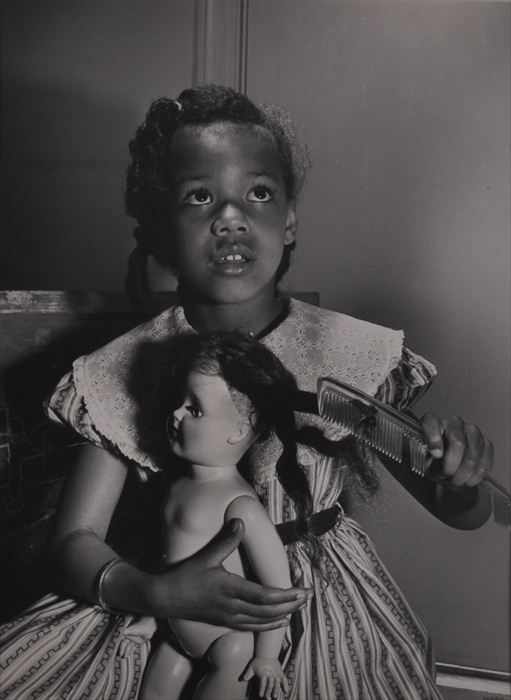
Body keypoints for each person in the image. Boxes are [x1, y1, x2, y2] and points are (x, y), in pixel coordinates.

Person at [0, 84, 493, 700]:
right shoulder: (127, 366)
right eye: (199, 197)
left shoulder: (346, 353)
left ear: (287, 222)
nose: (230, 217)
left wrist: (458, 480)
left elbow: (461, 513)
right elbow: (74, 542)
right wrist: (151, 591)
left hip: (313, 602)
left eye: (257, 194)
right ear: (158, 230)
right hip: (171, 597)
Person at [140, 330, 318, 700]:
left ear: (239, 429)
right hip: (176, 631)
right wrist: (152, 613)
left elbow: (277, 590)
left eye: (195, 408)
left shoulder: (240, 506)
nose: (176, 413)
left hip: (229, 644)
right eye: (179, 401)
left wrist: (267, 657)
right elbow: (164, 558)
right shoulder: (175, 483)